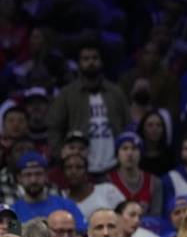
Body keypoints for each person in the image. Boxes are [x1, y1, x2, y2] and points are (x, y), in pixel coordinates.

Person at [48, 44, 129, 175]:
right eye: (86, 59)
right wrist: (61, 155)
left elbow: (127, 125)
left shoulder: (115, 92)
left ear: (101, 61)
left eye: (95, 58)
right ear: (79, 63)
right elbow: (54, 128)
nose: (91, 62)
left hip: (114, 165)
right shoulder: (67, 94)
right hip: (79, 168)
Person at [13, 152, 86, 232]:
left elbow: (82, 235)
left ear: (46, 175)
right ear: (19, 178)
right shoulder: (13, 212)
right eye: (28, 175)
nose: (33, 180)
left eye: (38, 174)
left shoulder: (66, 206)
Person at [107, 131, 163, 216]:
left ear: (141, 153)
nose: (129, 153)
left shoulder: (154, 183)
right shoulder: (108, 181)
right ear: (117, 154)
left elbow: (156, 216)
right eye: (125, 148)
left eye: (134, 148)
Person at [62, 152, 125, 222]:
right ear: (63, 172)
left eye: (79, 167)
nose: (74, 172)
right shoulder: (61, 198)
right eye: (69, 167)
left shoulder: (107, 190)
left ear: (86, 171)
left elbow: (125, 215)